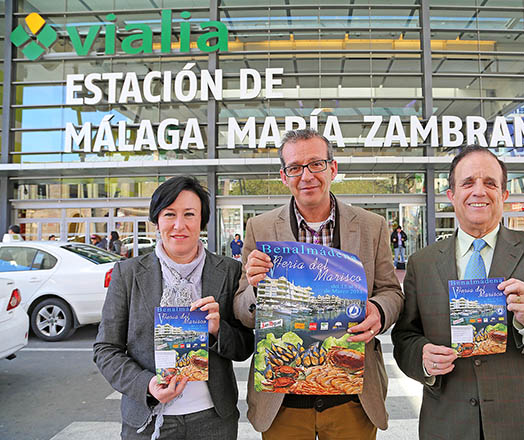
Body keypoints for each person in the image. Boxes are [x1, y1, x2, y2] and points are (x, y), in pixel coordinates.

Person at [391, 146, 524, 440]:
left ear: (504, 195)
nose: (479, 192)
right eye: (468, 182)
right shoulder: (422, 263)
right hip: (447, 423)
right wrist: (421, 357)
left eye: (490, 183)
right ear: (452, 195)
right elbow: (404, 337)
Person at [234, 129, 404, 439]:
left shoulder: (371, 226)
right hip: (282, 400)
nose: (307, 175)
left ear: (333, 168)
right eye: (295, 167)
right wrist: (257, 288)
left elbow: (392, 291)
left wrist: (379, 311)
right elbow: (242, 309)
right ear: (284, 177)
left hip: (353, 397)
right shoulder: (259, 228)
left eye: (316, 164)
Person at [94, 176, 254, 440]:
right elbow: (105, 349)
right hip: (148, 419)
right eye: (170, 214)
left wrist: (217, 330)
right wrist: (146, 384)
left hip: (214, 420)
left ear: (202, 221)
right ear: (157, 220)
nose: (179, 225)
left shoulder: (228, 271)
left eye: (190, 214)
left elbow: (245, 346)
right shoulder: (128, 273)